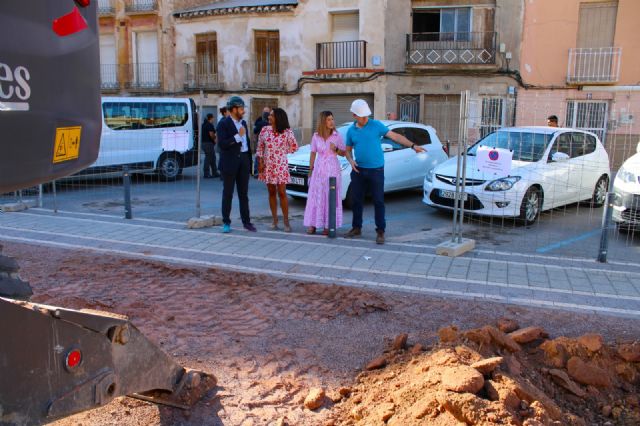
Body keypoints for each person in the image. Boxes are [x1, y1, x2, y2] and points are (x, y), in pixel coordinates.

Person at [344, 99, 425, 244]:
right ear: (354, 115)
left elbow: (396, 136)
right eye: (361, 116)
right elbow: (348, 150)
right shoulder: (351, 131)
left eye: (366, 115)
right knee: (356, 201)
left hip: (376, 170)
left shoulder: (376, 125)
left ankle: (380, 231)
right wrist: (351, 161)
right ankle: (356, 227)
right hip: (358, 170)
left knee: (378, 201)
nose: (365, 119)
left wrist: (413, 146)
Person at [216, 96, 256, 233]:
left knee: (243, 194)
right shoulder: (223, 124)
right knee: (228, 194)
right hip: (229, 162)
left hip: (243, 160)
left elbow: (246, 144)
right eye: (241, 108)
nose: (243, 111)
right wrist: (237, 136)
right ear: (233, 109)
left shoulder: (243, 123)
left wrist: (250, 163)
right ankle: (226, 222)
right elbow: (222, 144)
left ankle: (247, 222)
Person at [303, 111, 346, 236]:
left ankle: (329, 225)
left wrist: (336, 149)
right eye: (329, 119)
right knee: (316, 196)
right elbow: (312, 153)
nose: (332, 122)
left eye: (332, 119)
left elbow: (343, 152)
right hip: (319, 169)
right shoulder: (316, 136)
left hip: (332, 168)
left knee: (330, 196)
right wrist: (310, 171)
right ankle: (313, 224)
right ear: (323, 121)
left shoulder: (337, 135)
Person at [256, 108, 298, 232]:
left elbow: (294, 146)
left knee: (282, 193)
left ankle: (286, 221)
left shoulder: (287, 132)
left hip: (280, 166)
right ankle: (274, 220)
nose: (269, 117)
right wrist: (261, 162)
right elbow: (260, 148)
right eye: (269, 115)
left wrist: (281, 153)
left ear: (278, 118)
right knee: (271, 192)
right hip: (268, 165)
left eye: (272, 115)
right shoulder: (264, 130)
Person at [252, 107, 271, 177]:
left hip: (260, 142)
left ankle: (257, 172)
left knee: (259, 156)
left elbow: (255, 131)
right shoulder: (271, 124)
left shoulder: (259, 123)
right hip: (268, 143)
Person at [201, 113, 219, 178]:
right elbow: (211, 134)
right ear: (211, 118)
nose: (214, 119)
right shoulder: (209, 125)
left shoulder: (204, 124)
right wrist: (215, 139)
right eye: (213, 118)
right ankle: (206, 173)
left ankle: (215, 172)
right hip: (208, 144)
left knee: (213, 157)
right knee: (208, 158)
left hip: (204, 143)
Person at [216, 106, 230, 179]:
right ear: (224, 113)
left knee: (224, 159)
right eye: (228, 111)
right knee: (223, 159)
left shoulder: (226, 120)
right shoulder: (222, 121)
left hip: (225, 143)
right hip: (222, 144)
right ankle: (222, 175)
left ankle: (223, 174)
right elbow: (218, 134)